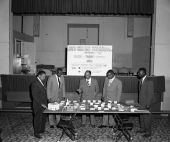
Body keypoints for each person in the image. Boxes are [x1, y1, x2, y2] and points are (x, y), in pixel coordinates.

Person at [137, 67, 154, 138]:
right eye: (138, 72)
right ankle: (142, 129)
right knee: (142, 117)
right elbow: (140, 93)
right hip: (141, 103)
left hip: (146, 104)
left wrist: (148, 104)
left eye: (139, 72)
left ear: (144, 73)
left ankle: (148, 132)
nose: (138, 73)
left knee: (147, 118)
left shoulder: (149, 81)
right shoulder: (140, 81)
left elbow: (150, 94)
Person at [31, 70, 47, 138]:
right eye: (43, 76)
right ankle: (36, 133)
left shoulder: (41, 82)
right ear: (39, 76)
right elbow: (35, 96)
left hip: (44, 104)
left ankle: (41, 130)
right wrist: (41, 103)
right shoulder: (34, 83)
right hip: (38, 105)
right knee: (37, 119)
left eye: (45, 76)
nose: (44, 77)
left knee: (43, 118)